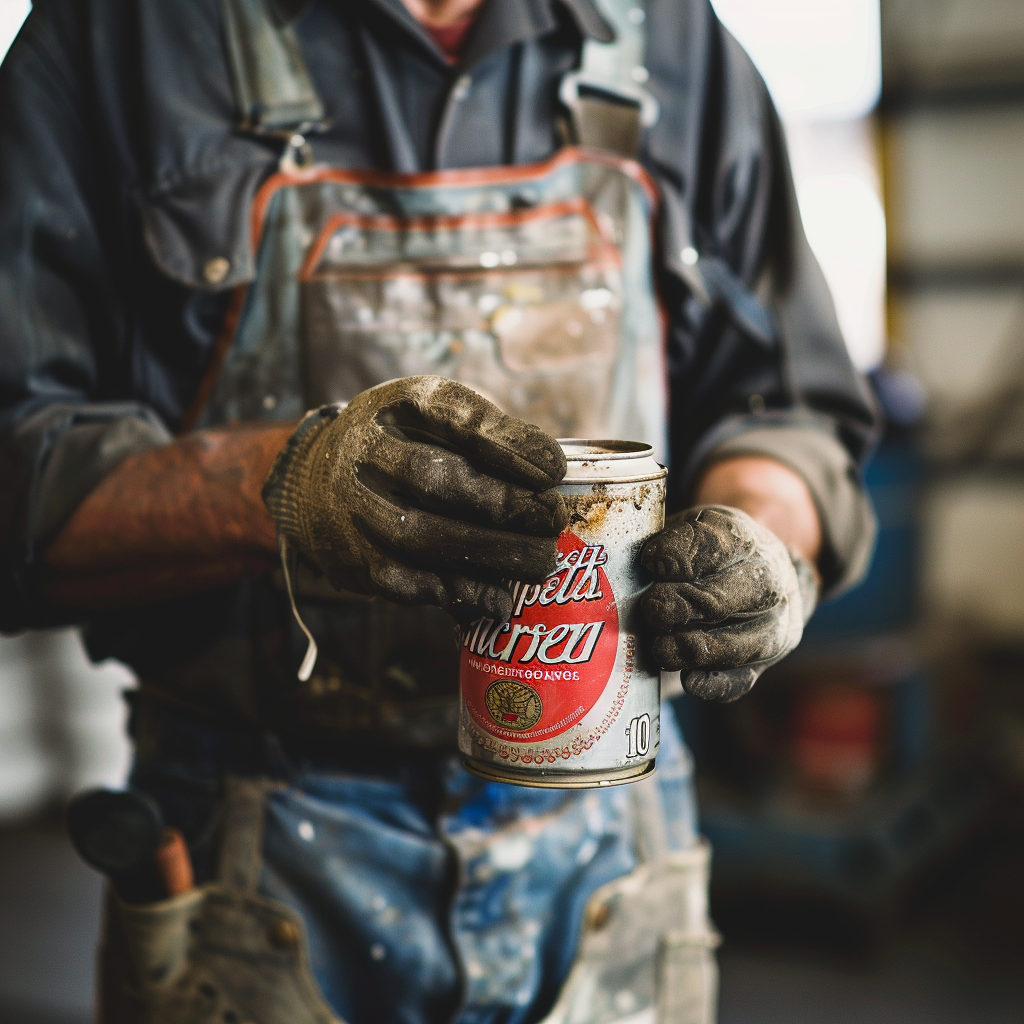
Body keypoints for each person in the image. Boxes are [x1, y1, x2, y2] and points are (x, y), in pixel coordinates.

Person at [0, 0, 878, 1021]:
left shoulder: (672, 39)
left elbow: (788, 405)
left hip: (608, 834)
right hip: (256, 838)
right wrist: (283, 482)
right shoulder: (118, 39)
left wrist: (760, 526)